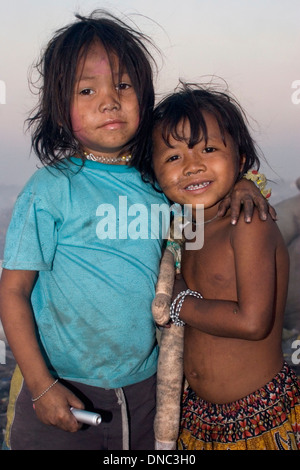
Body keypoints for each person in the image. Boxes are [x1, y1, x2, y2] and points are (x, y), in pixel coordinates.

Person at [0, 12, 272, 450]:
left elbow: (203, 180)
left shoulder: (158, 179)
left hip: (146, 389)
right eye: (87, 90)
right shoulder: (53, 188)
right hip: (63, 385)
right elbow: (12, 292)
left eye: (123, 86)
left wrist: (242, 181)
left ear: (144, 96)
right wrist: (41, 385)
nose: (109, 101)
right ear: (58, 107)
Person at [150, 82, 300, 450]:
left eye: (210, 149)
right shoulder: (184, 227)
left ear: (242, 159)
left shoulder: (248, 222)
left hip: (259, 417)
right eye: (173, 158)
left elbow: (252, 321)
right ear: (154, 175)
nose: (192, 165)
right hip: (199, 417)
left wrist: (180, 303)